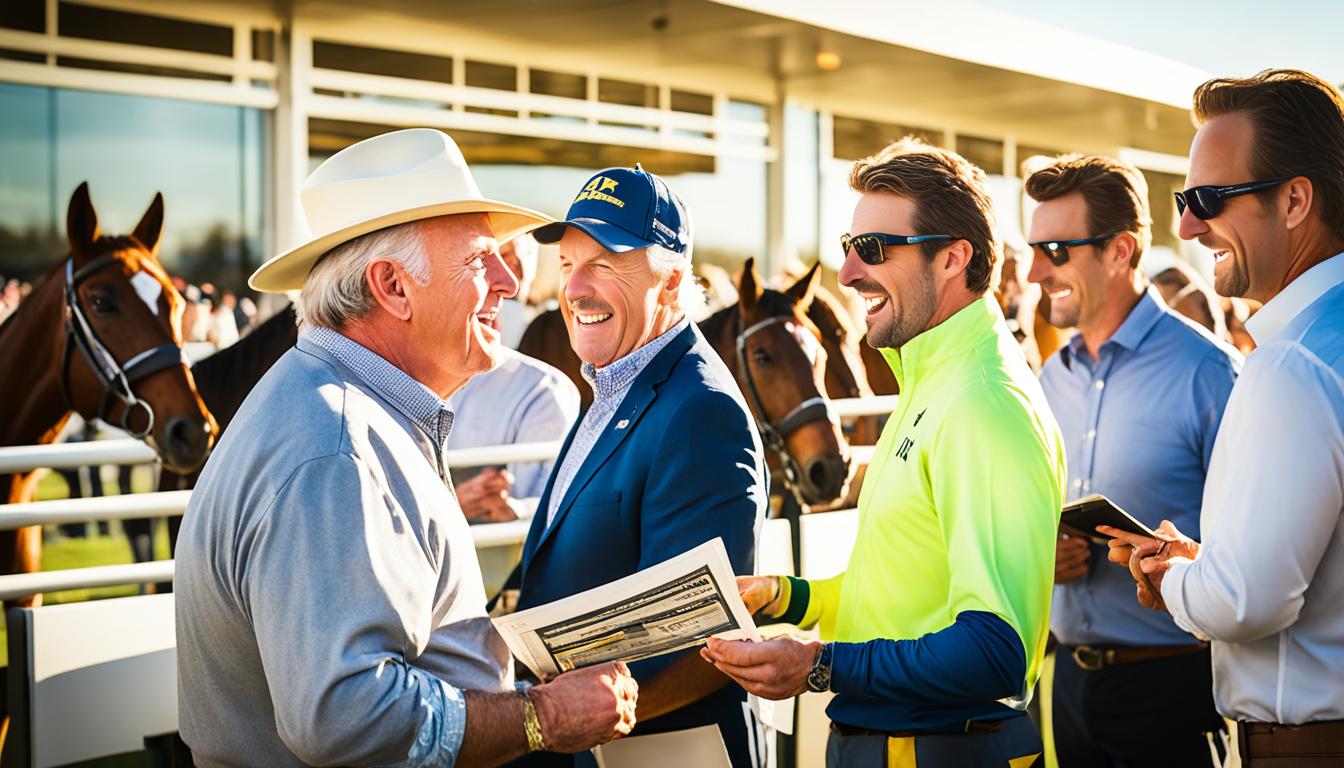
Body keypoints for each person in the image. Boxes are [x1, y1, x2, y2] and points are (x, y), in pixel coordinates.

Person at [175, 128, 637, 767]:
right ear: (393, 287)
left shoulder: (337, 408)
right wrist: (546, 716)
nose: (509, 280)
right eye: (481, 258)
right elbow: (344, 716)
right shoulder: (336, 448)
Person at [702, 137, 1066, 766]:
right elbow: (907, 587)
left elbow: (994, 651)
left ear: (954, 258)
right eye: (849, 247)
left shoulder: (982, 401)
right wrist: (791, 597)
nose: (846, 274)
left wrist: (819, 665)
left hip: (935, 751)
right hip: (896, 744)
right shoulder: (933, 374)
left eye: (872, 249)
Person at [1102, 69, 1344, 766]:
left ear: (1295, 199)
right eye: (1184, 200)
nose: (1185, 225)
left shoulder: (1292, 364)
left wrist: (1169, 577)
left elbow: (1245, 603)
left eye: (1209, 198)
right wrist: (1203, 567)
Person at [508, 166, 768, 766]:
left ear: (672, 282)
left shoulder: (700, 410)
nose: (575, 289)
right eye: (569, 265)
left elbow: (700, 641)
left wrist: (551, 721)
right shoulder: (616, 384)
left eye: (604, 263)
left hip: (661, 750)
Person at [1025, 154, 1240, 766]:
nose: (1037, 270)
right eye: (1035, 249)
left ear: (1120, 251)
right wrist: (1045, 551)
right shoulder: (1047, 380)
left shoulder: (1210, 374)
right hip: (1067, 684)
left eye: (1057, 250)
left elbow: (1260, 551)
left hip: (1172, 688)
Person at [448, 233, 581, 525]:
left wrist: (508, 507)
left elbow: (554, 502)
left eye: (514, 261)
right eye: (482, 261)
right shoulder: (395, 374)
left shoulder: (544, 387)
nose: (506, 280)